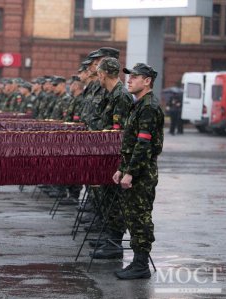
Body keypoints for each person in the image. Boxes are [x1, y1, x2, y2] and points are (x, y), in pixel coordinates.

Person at [113, 63, 164, 279]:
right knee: (133, 216)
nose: (129, 80)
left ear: (147, 81)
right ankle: (137, 262)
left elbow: (143, 145)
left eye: (135, 77)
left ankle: (141, 265)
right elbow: (132, 143)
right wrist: (121, 168)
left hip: (142, 172)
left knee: (141, 217)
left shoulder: (149, 107)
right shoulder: (140, 104)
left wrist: (130, 172)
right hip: (134, 168)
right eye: (129, 76)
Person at [90, 57, 133, 260]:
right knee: (107, 198)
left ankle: (114, 243)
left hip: (115, 155)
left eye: (98, 72)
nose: (97, 75)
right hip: (106, 153)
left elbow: (119, 133)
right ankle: (110, 238)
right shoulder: (111, 94)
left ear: (103, 73)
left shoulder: (121, 96)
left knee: (115, 201)